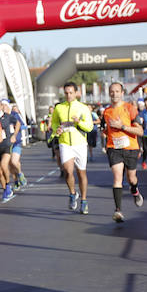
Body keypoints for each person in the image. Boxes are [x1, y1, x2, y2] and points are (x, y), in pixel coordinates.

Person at [102, 82, 144, 223]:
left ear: (122, 93)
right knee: (117, 178)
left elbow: (140, 131)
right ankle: (118, 210)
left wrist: (122, 126)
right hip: (114, 149)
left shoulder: (130, 108)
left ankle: (135, 190)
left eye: (117, 91)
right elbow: (104, 130)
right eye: (112, 91)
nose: (114, 94)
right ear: (109, 93)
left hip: (131, 148)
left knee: (131, 178)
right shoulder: (106, 112)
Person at [50, 82, 93, 215]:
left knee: (81, 173)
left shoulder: (83, 108)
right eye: (66, 93)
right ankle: (72, 194)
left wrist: (79, 122)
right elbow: (54, 122)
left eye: (71, 93)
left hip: (80, 143)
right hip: (65, 143)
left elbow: (89, 127)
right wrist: (56, 130)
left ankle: (84, 200)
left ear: (76, 93)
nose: (68, 95)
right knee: (68, 172)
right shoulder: (59, 108)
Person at [0, 99, 14, 201]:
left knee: (4, 165)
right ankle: (5, 189)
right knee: (0, 172)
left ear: (1, 107)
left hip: (6, 144)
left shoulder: (7, 116)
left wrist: (14, 135)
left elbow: (18, 123)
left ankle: (8, 185)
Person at [8, 102, 28, 190]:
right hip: (6, 144)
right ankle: (16, 182)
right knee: (10, 165)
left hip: (16, 142)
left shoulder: (15, 115)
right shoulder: (0, 117)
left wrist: (16, 128)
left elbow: (23, 125)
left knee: (14, 161)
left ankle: (20, 174)